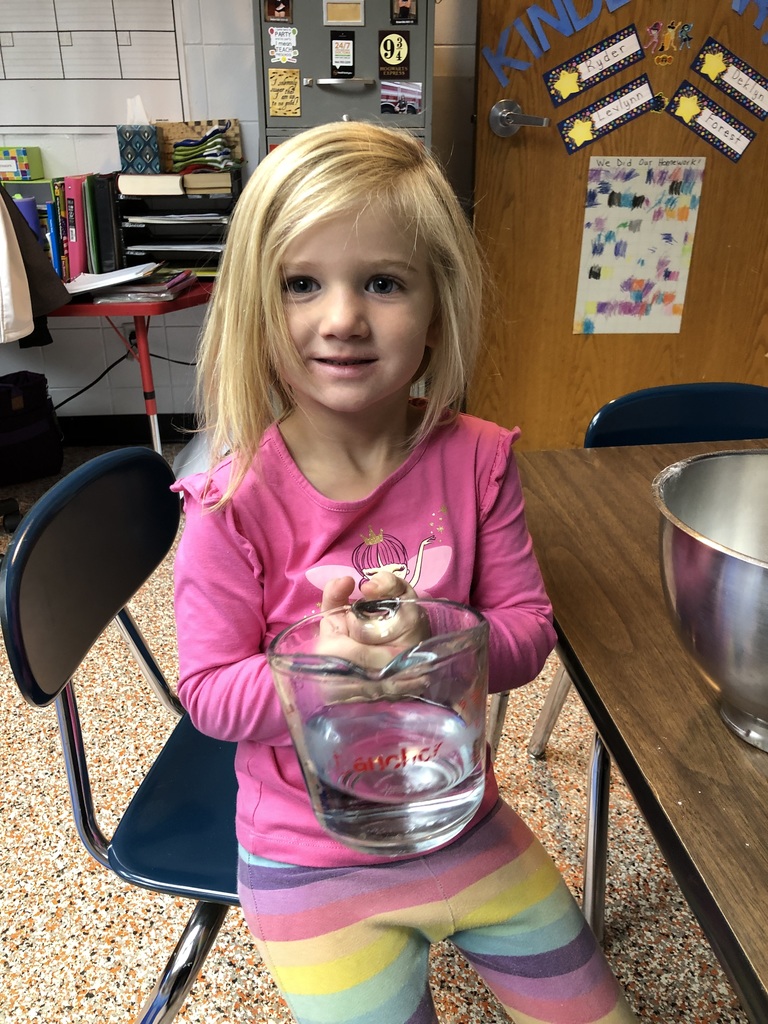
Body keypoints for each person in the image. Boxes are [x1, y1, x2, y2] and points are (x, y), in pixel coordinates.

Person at [173, 121, 639, 1024]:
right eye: (300, 284)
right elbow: (209, 694)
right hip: (309, 858)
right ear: (252, 307)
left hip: (463, 824)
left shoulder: (479, 459)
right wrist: (328, 673)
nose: (342, 317)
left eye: (382, 283)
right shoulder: (227, 503)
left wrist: (437, 635)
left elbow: (528, 633)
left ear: (438, 307)